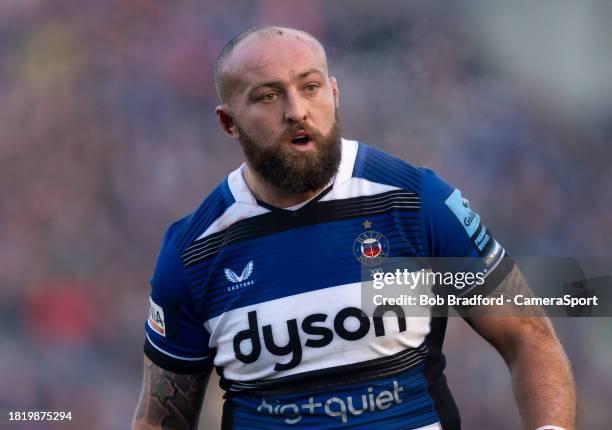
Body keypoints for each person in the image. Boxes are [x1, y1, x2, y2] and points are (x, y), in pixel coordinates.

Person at [132, 26, 575, 430]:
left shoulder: (416, 203)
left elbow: (528, 335)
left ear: (335, 93)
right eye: (268, 96)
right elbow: (160, 418)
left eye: (310, 87)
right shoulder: (193, 252)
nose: (297, 111)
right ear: (229, 122)